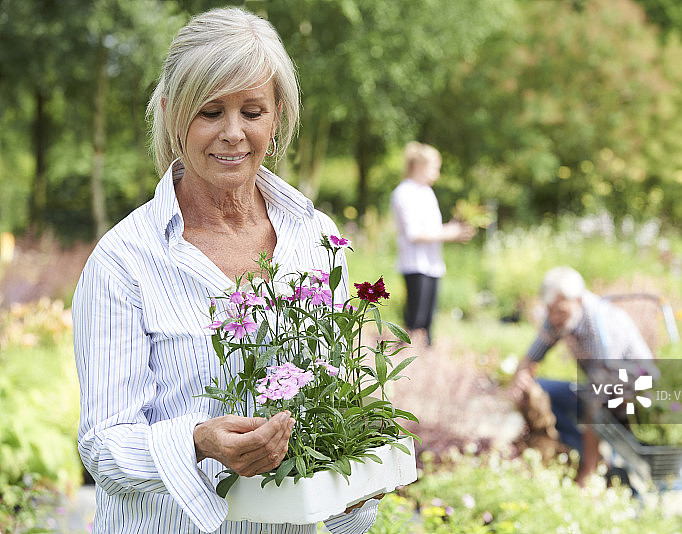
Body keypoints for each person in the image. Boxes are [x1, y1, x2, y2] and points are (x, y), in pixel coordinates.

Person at [73, 8, 378, 533]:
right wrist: (196, 442)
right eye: (210, 112)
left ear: (276, 116)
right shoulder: (124, 260)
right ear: (172, 115)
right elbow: (102, 446)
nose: (234, 133)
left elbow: (334, 404)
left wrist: (356, 489)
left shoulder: (315, 237)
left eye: (252, 111)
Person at [511, 266, 656, 486]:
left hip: (632, 393)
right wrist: (521, 378)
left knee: (591, 404)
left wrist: (587, 471)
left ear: (578, 300)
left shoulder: (602, 324)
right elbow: (531, 357)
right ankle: (574, 450)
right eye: (550, 311)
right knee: (539, 389)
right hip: (597, 387)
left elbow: (602, 391)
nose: (554, 318)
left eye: (560, 312)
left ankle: (590, 468)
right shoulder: (559, 317)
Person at [389, 142, 474, 346]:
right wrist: (450, 233)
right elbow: (414, 234)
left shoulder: (427, 192)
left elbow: (433, 228)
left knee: (428, 324)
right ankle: (408, 358)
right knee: (415, 322)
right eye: (434, 167)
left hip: (432, 263)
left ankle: (424, 358)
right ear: (419, 166)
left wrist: (455, 228)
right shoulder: (404, 193)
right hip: (415, 264)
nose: (437, 173)